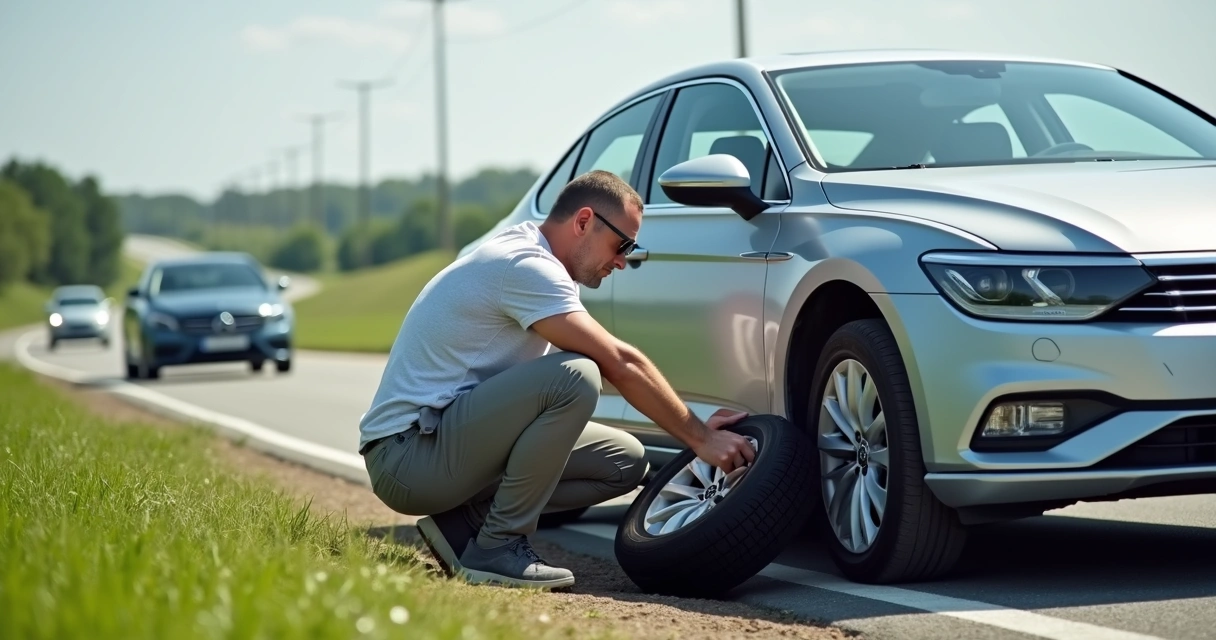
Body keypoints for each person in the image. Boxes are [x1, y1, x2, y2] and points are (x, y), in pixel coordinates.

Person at [358, 169, 757, 590]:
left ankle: (465, 525)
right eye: (622, 244)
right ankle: (498, 546)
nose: (623, 260)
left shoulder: (542, 264)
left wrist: (693, 429)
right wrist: (700, 437)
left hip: (439, 444)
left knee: (625, 462)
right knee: (577, 375)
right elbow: (619, 363)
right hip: (408, 458)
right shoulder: (526, 265)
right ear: (584, 221)